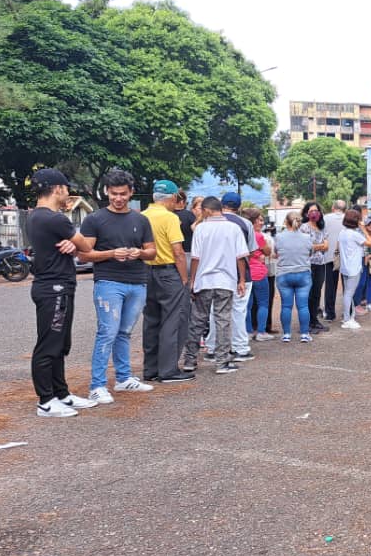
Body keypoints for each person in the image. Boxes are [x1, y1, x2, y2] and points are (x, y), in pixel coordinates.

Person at [79, 169, 157, 404]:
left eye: (123, 194)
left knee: (124, 332)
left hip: (137, 281)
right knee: (107, 332)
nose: (118, 198)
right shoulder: (94, 219)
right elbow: (84, 255)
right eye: (113, 194)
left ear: (131, 193)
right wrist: (112, 253)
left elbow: (152, 252)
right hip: (108, 282)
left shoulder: (141, 220)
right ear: (106, 192)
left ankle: (123, 378)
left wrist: (140, 252)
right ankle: (97, 385)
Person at [25, 168, 98, 417]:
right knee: (49, 344)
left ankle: (62, 394)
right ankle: (46, 401)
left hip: (55, 286)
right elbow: (87, 246)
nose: (68, 193)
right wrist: (75, 242)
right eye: (67, 188)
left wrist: (70, 243)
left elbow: (71, 245)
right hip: (54, 288)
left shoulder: (36, 217)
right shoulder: (54, 219)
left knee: (60, 344)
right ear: (57, 188)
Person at [180, 197, 249, 373]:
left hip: (204, 280)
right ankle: (222, 361)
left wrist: (193, 280)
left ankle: (190, 360)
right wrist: (241, 280)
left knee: (198, 320)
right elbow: (240, 257)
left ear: (207, 210)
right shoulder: (233, 229)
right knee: (223, 320)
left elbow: (195, 258)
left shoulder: (201, 229)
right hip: (226, 280)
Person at [141, 180, 194, 383]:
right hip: (168, 272)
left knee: (151, 320)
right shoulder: (170, 218)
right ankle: (168, 369)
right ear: (172, 197)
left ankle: (150, 369)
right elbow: (178, 252)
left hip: (146, 271)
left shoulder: (142, 216)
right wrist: (184, 278)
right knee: (174, 320)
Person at [273, 211, 314, 342]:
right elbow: (310, 253)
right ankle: (304, 334)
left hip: (284, 274)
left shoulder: (279, 237)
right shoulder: (307, 237)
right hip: (303, 273)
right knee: (303, 306)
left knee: (286, 306)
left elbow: (276, 253)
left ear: (286, 222)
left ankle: (286, 334)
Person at [299, 202, 330, 332]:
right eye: (311, 210)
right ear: (306, 213)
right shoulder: (303, 228)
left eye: (316, 210)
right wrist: (319, 246)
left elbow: (327, 246)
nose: (314, 213)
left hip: (320, 264)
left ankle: (314, 320)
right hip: (308, 265)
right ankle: (306, 323)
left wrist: (316, 246)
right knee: (309, 294)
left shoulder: (322, 228)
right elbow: (305, 247)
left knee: (317, 293)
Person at [243, 209, 272, 342]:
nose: (261, 222)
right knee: (263, 303)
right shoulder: (258, 236)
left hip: (247, 273)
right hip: (259, 272)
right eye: (260, 220)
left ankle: (248, 331)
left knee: (247, 305)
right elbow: (267, 251)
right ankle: (261, 331)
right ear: (254, 221)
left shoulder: (242, 234)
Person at [338, 209, 370, 329]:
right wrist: (363, 229)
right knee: (349, 294)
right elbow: (370, 242)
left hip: (345, 266)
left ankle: (349, 317)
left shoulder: (342, 233)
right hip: (353, 267)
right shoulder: (355, 234)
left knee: (348, 293)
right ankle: (347, 319)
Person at [322, 199, 346, 323]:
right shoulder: (348, 218)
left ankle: (330, 313)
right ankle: (348, 312)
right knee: (347, 286)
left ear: (333, 207)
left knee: (330, 286)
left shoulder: (325, 218)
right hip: (346, 256)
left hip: (329, 255)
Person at [175, 190, 196, 271]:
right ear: (182, 202)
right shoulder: (189, 215)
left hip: (169, 255)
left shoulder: (168, 215)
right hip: (187, 253)